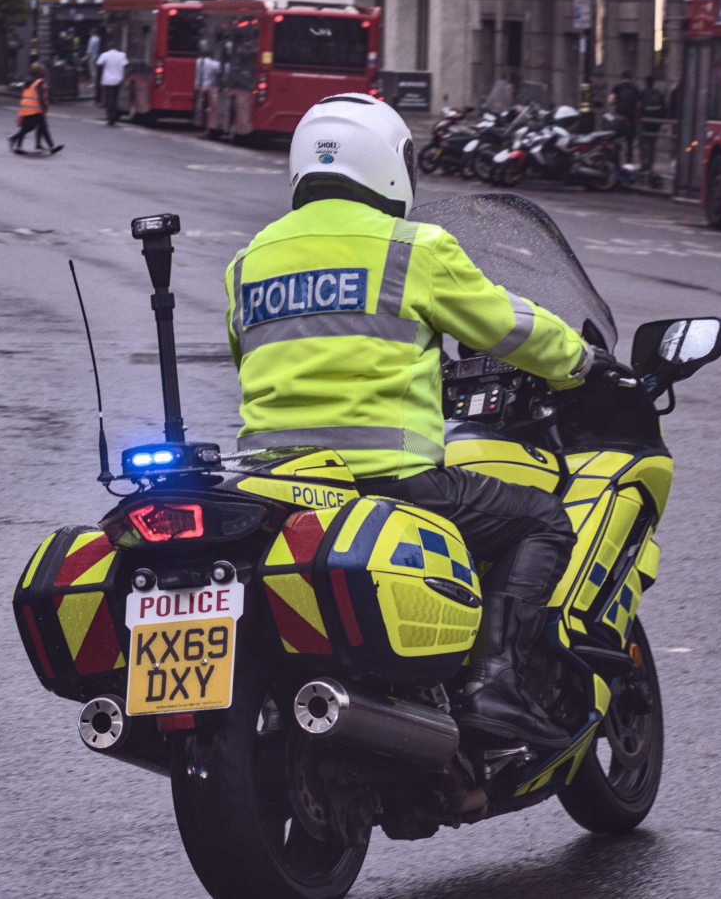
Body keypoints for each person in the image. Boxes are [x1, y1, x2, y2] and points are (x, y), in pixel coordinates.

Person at [222, 93, 613, 749]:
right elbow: (507, 325)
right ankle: (496, 687)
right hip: (389, 481)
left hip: (277, 489)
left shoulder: (249, 261)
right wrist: (579, 361)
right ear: (387, 164)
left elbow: (250, 359)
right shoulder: (413, 249)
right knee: (540, 517)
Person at [10, 62, 62, 155]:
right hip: (35, 108)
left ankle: (19, 146)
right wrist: (44, 108)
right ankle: (14, 138)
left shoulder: (28, 81)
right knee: (34, 127)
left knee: (29, 127)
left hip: (25, 107)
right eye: (42, 71)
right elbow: (42, 97)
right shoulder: (39, 82)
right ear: (39, 72)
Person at [639, 74, 667, 173]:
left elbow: (639, 107)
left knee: (644, 143)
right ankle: (650, 164)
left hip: (645, 121)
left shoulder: (642, 94)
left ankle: (644, 164)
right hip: (655, 123)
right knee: (652, 143)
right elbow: (663, 109)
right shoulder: (659, 94)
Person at [95, 42, 129, 126]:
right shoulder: (122, 55)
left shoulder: (105, 55)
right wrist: (126, 79)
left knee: (109, 98)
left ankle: (111, 116)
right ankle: (114, 115)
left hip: (108, 79)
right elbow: (125, 67)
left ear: (108, 47)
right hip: (118, 79)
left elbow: (98, 64)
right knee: (115, 97)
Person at [85, 30, 103, 104]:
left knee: (92, 69)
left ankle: (93, 82)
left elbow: (90, 48)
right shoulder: (98, 38)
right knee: (95, 70)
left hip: (92, 56)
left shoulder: (92, 39)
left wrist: (86, 56)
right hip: (97, 55)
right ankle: (95, 82)